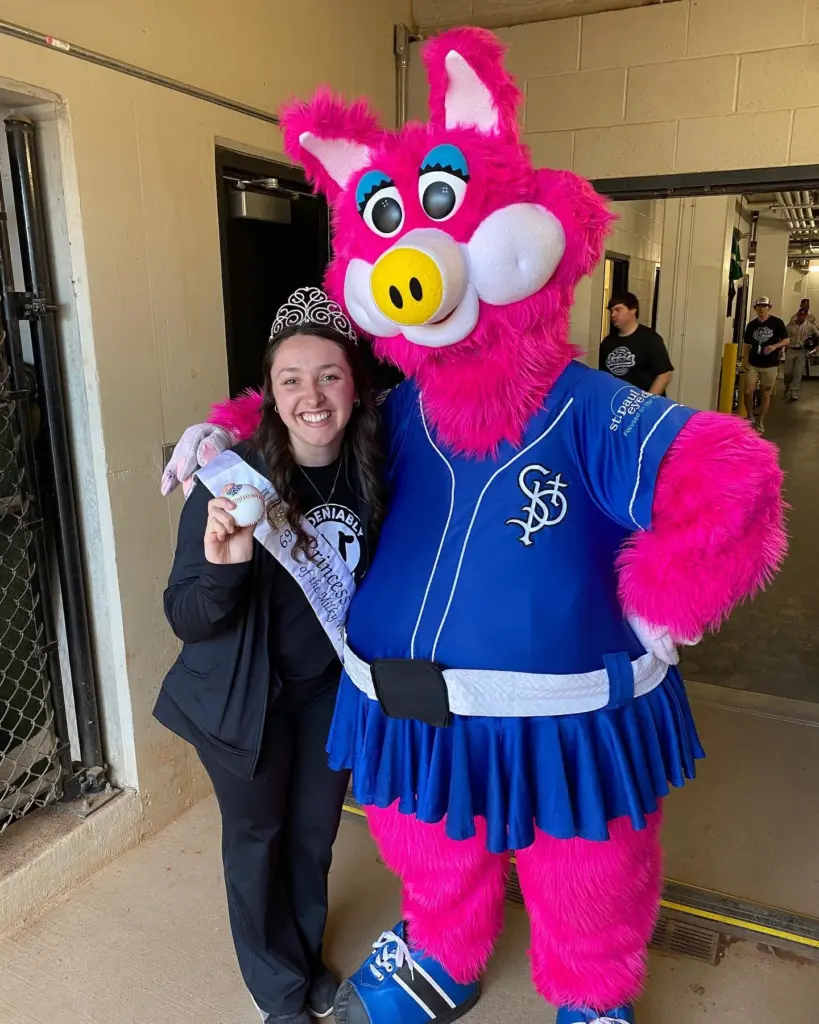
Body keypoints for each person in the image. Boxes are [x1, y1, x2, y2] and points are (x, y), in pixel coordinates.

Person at [162, 29, 785, 1024]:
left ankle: (589, 991)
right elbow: (309, 417)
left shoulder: (586, 408)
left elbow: (735, 477)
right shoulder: (395, 410)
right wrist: (233, 424)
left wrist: (668, 591)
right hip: (413, 710)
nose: (418, 263)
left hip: (565, 712)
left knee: (584, 864)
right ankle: (443, 953)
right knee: (432, 849)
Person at [155, 288, 383, 1024]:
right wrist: (222, 564)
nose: (311, 395)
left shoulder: (376, 465)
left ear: (355, 384)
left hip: (326, 691)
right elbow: (185, 614)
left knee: (313, 836)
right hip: (240, 701)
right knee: (257, 841)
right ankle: (277, 995)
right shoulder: (231, 478)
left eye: (328, 375)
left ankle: (304, 962)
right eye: (291, 379)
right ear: (270, 395)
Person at [599, 291, 674, 395]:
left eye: (618, 310)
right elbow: (604, 377)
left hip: (644, 405)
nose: (613, 315)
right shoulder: (607, 342)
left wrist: (647, 402)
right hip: (616, 404)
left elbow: (665, 374)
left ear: (632, 311)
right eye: (611, 311)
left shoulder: (650, 339)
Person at [742, 296, 789, 433]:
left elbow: (786, 340)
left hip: (770, 364)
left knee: (765, 393)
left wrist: (774, 346)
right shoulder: (751, 325)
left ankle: (760, 421)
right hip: (754, 363)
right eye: (759, 306)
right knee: (748, 391)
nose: (762, 309)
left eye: (765, 306)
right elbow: (747, 344)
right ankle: (750, 415)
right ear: (755, 308)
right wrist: (745, 360)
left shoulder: (777, 323)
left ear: (769, 308)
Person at [784, 305, 819, 400]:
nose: (801, 317)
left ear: (806, 316)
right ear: (797, 315)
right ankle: (786, 387)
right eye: (800, 315)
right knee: (787, 372)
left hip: (802, 351)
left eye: (803, 316)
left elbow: (817, 335)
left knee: (798, 372)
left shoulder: (809, 326)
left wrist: (816, 346)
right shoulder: (790, 325)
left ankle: (794, 391)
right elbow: (783, 337)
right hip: (791, 350)